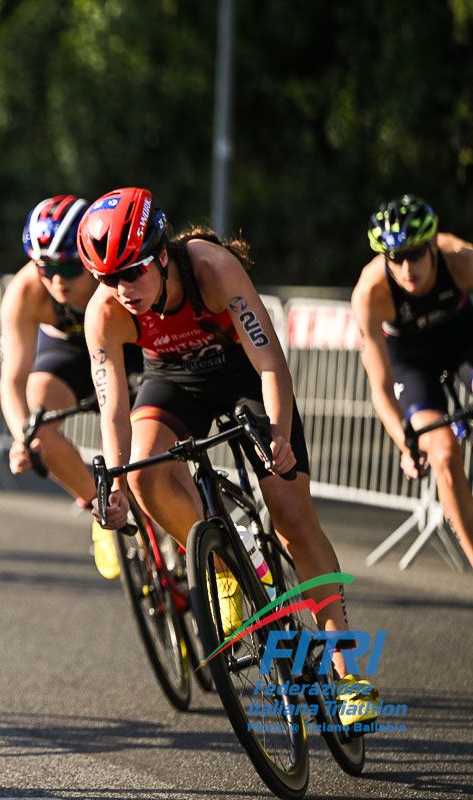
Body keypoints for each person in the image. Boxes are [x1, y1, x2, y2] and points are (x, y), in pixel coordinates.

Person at [80, 187, 378, 725]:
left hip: (243, 374)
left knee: (291, 516)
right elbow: (114, 408)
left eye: (132, 272)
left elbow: (270, 363)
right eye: (107, 278)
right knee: (145, 478)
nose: (121, 289)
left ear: (162, 253)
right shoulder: (104, 312)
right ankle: (223, 565)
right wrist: (117, 487)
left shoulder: (212, 268)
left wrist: (279, 434)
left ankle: (347, 670)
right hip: (175, 382)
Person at [0, 194, 138, 580]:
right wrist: (22, 438)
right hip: (69, 353)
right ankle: (99, 507)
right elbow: (12, 380)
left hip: (127, 350)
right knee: (38, 431)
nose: (58, 280)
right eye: (46, 268)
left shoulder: (117, 275)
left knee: (149, 447)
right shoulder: (26, 290)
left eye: (70, 267)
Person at [352, 194, 473, 571]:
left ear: (433, 244)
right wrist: (405, 444)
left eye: (416, 254)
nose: (407, 268)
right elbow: (380, 388)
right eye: (395, 257)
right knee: (443, 452)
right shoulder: (370, 292)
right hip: (412, 361)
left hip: (464, 340)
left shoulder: (460, 259)